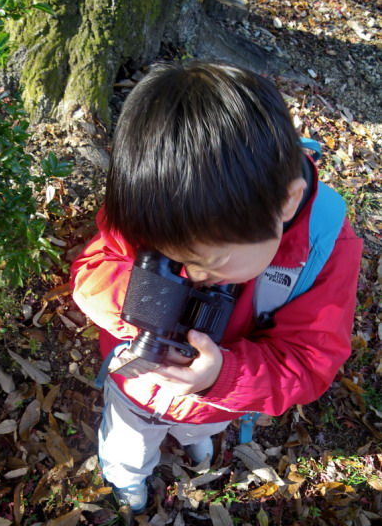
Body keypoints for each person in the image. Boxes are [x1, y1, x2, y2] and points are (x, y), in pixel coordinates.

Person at [71, 61, 362, 513]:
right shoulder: (153, 200)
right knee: (127, 444)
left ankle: (193, 438)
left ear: (286, 203)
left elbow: (309, 361)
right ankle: (126, 477)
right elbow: (93, 270)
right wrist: (146, 309)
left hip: (214, 404)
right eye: (174, 257)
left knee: (199, 429)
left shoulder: (323, 249)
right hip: (134, 388)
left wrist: (219, 378)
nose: (193, 276)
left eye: (213, 262)